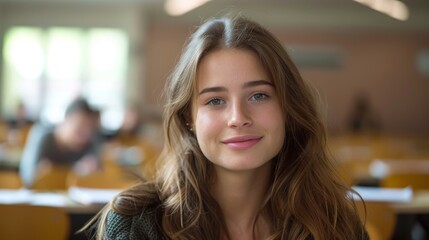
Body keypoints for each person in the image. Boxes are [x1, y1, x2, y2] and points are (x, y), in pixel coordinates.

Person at [89, 16, 368, 239]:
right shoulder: (135, 225)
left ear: (288, 107)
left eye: (259, 95)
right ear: (189, 116)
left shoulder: (336, 224)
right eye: (215, 100)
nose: (237, 117)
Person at [19, 97, 101, 188]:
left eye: (89, 128)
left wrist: (92, 173)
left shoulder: (91, 142)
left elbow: (100, 178)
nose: (85, 134)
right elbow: (27, 177)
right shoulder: (44, 137)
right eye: (80, 127)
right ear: (66, 120)